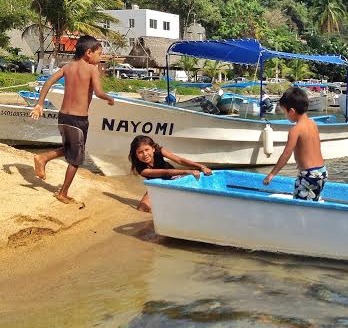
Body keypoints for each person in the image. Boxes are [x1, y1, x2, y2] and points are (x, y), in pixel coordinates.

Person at [30, 35, 114, 204]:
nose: (100, 57)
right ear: (88, 53)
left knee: (70, 149)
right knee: (76, 159)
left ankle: (43, 158)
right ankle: (62, 193)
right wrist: (109, 98)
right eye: (99, 54)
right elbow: (98, 92)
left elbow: (48, 83)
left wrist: (40, 104)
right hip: (78, 119)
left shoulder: (67, 67)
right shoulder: (91, 69)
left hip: (63, 117)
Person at [263, 86, 327, 201]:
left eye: (284, 112)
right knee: (312, 201)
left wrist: (272, 174)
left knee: (299, 204)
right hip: (322, 172)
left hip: (308, 175)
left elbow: (286, 154)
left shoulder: (295, 130)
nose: (285, 115)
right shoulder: (313, 124)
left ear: (291, 111)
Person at [129, 135, 212, 212]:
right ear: (136, 155)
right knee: (142, 208)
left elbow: (179, 160)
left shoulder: (159, 151)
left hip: (173, 179)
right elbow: (165, 173)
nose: (145, 154)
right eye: (140, 152)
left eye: (147, 150)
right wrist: (187, 171)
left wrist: (201, 166)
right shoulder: (141, 169)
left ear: (153, 149)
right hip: (157, 185)